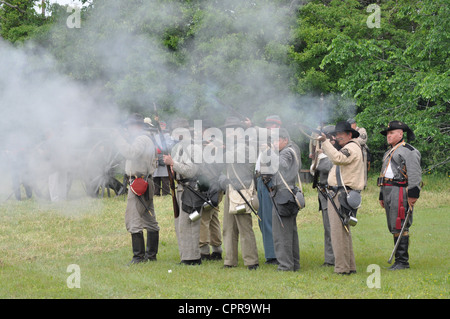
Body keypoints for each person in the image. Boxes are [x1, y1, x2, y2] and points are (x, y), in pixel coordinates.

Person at [318, 121, 365, 275]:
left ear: (349, 135)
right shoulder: (351, 146)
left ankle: (341, 268)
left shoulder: (351, 147)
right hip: (343, 193)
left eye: (340, 135)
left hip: (341, 194)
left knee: (338, 232)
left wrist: (325, 142)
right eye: (336, 135)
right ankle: (349, 266)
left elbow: (338, 158)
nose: (337, 137)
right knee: (343, 231)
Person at [115, 113, 160, 264]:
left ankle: (138, 257)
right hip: (144, 182)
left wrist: (118, 139)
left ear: (137, 126)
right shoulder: (144, 138)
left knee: (133, 220)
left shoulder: (141, 139)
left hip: (139, 184)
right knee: (149, 219)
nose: (127, 129)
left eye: (129, 126)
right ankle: (151, 255)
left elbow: (131, 153)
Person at [378, 121, 421, 270]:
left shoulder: (409, 151)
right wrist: (381, 195)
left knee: (400, 224)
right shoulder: (389, 152)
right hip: (388, 190)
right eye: (388, 134)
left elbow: (415, 174)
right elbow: (384, 174)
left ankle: (402, 261)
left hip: (401, 190)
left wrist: (413, 194)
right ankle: (398, 260)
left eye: (392, 133)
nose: (388, 136)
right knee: (393, 224)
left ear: (401, 134)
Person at [219, 116, 259, 270]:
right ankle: (230, 260)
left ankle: (251, 261)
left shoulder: (244, 147)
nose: (227, 134)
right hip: (231, 190)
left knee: (244, 228)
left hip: (242, 190)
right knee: (228, 228)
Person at [164, 118, 203, 265]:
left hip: (192, 190)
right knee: (180, 224)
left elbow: (191, 170)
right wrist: (172, 169)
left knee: (190, 223)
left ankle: (192, 258)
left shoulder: (194, 148)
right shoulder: (177, 148)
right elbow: (177, 171)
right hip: (181, 188)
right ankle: (186, 256)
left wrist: (173, 163)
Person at [268, 128, 301, 271]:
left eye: (276, 140)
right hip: (287, 194)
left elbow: (282, 164)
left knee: (281, 234)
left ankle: (285, 266)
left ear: (285, 140)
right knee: (290, 233)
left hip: (283, 195)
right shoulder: (289, 150)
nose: (274, 143)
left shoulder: (286, 152)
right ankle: (294, 264)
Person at [255, 115, 282, 265]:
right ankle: (270, 252)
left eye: (270, 125)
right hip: (260, 180)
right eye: (267, 125)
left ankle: (274, 255)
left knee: (270, 219)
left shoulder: (278, 143)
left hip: (269, 181)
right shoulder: (267, 141)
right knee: (262, 218)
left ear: (277, 127)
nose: (267, 128)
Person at [311, 125, 335, 267]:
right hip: (323, 193)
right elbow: (313, 171)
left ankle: (334, 258)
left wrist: (321, 156)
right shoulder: (324, 153)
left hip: (331, 193)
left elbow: (325, 167)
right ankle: (329, 259)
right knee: (327, 228)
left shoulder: (334, 152)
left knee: (332, 228)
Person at [347, 118, 369, 188]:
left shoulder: (361, 130)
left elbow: (362, 140)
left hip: (361, 151)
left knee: (363, 169)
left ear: (354, 124)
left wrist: (351, 140)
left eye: (350, 125)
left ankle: (363, 185)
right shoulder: (349, 132)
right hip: (352, 151)